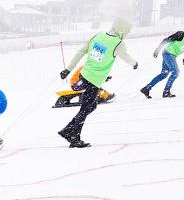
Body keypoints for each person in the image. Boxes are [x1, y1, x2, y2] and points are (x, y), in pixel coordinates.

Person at [58, 18, 138, 148]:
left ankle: (68, 130)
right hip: (93, 81)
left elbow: (81, 52)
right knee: (85, 109)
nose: (127, 33)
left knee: (91, 106)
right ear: (122, 29)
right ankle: (73, 137)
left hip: (84, 76)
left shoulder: (98, 36)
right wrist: (135, 63)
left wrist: (68, 69)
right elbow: (126, 56)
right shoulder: (118, 43)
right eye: (127, 30)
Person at [140, 23, 184, 99]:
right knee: (175, 72)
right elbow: (166, 40)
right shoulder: (181, 34)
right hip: (168, 53)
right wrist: (157, 50)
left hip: (172, 55)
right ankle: (166, 92)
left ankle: (146, 88)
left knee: (164, 74)